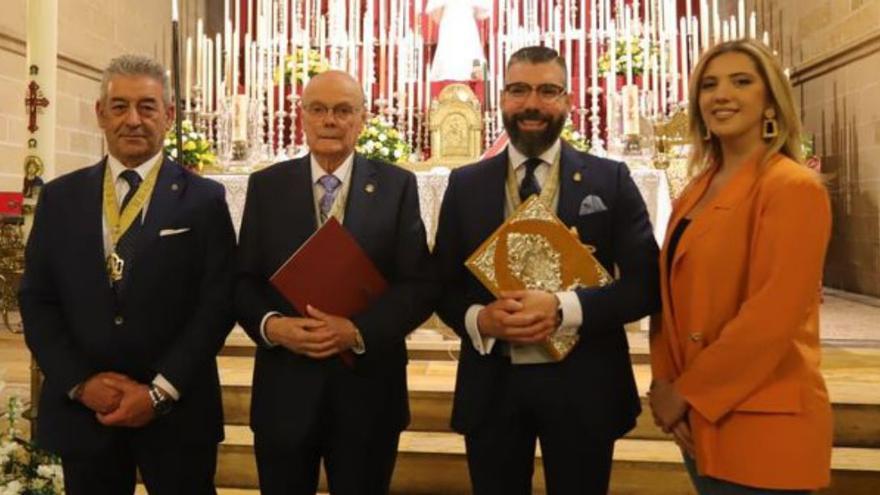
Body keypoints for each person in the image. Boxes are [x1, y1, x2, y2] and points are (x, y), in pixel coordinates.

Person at [432, 46, 660, 495]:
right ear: (501, 98)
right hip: (492, 388)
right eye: (518, 90)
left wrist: (564, 308)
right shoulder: (465, 184)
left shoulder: (609, 180)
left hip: (584, 385)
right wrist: (480, 318)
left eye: (547, 91)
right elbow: (441, 285)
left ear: (568, 100)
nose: (532, 104)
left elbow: (645, 285)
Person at [18, 54, 236, 495]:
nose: (133, 120)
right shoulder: (61, 198)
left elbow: (217, 303)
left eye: (147, 106)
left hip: (177, 410)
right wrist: (80, 383)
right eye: (119, 106)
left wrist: (158, 392)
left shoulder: (205, 200)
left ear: (169, 116)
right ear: (100, 114)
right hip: (87, 414)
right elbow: (37, 300)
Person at [234, 70, 435, 495]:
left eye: (343, 110)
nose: (330, 120)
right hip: (285, 390)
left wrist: (358, 330)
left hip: (368, 391)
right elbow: (243, 281)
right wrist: (273, 326)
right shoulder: (266, 186)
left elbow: (417, 285)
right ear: (302, 117)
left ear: (362, 119)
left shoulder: (398, 186)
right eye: (319, 109)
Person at [648, 39, 833, 494]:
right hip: (698, 419)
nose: (721, 94)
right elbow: (668, 299)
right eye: (709, 85)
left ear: (770, 100)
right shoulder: (696, 190)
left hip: (763, 415)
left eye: (741, 81)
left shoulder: (792, 186)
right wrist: (663, 383)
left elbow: (772, 315)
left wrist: (687, 392)